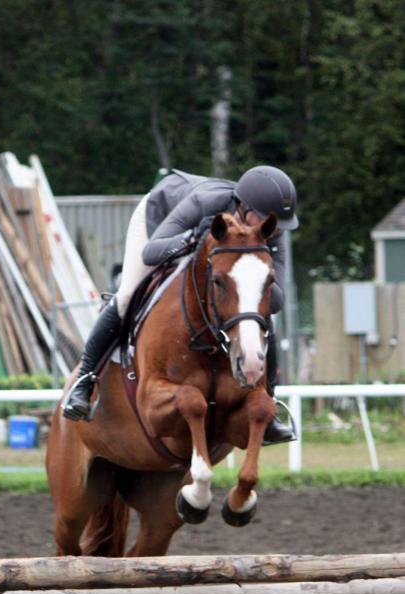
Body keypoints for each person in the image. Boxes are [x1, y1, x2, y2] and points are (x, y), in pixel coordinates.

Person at [62, 165, 298, 444]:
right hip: (160, 221)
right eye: (265, 218)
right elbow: (152, 252)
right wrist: (193, 237)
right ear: (243, 207)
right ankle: (85, 380)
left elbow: (277, 300)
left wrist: (259, 280)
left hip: (214, 248)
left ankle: (270, 402)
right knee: (126, 296)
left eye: (278, 223)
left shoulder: (271, 229)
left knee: (255, 312)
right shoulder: (205, 203)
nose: (275, 229)